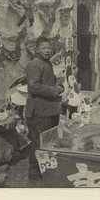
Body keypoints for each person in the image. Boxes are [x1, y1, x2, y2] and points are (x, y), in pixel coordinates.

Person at [25, 36, 64, 185]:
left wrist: (59, 86)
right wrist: (56, 90)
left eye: (49, 48)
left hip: (49, 111)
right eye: (44, 48)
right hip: (39, 112)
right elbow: (34, 86)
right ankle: (35, 176)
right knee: (38, 144)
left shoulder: (46, 63)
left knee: (47, 143)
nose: (47, 51)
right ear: (37, 49)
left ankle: (45, 172)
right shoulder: (35, 64)